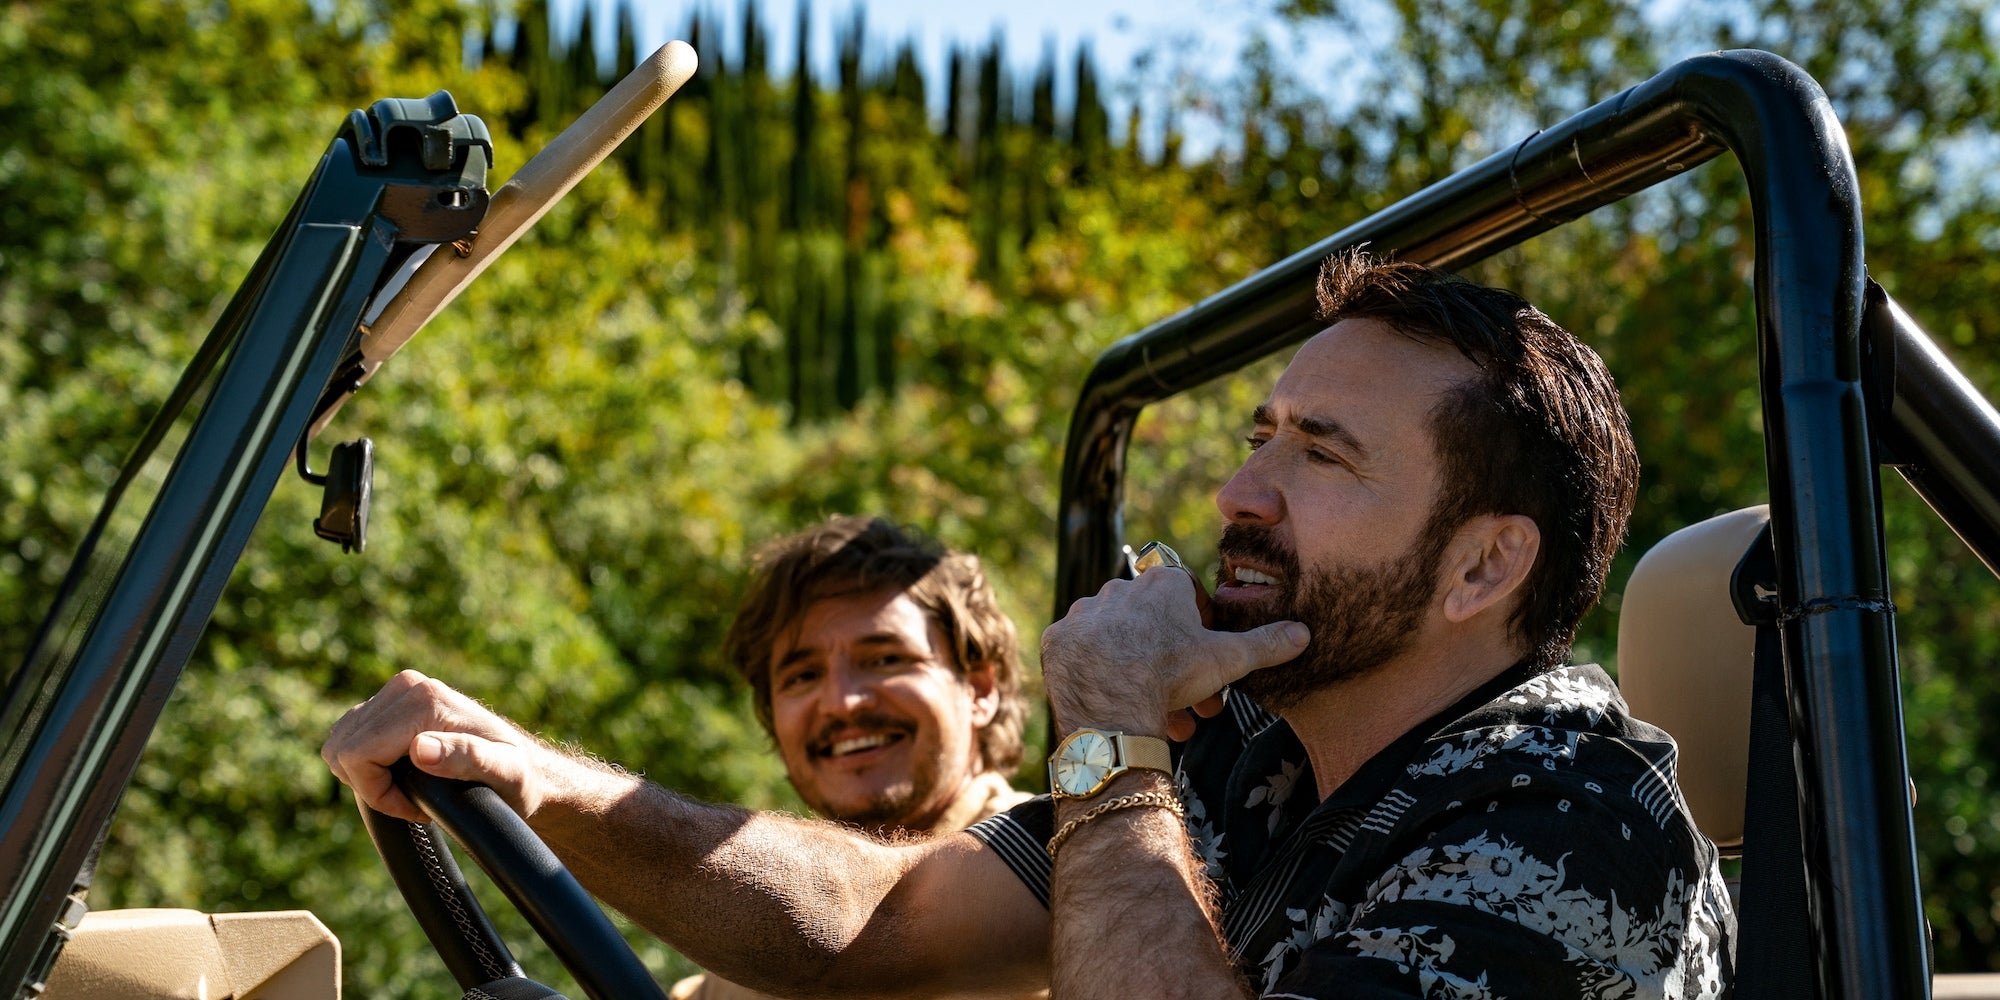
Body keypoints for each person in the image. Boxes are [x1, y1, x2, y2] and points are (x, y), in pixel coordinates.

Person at [323, 250, 1733, 998]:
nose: (1241, 493)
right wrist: (538, 779)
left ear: (1483, 568)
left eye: (1323, 455)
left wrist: (1114, 735)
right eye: (1261, 438)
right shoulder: (1246, 749)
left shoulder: (1568, 821)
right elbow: (881, 927)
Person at [668, 516, 1032, 1000]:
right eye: (802, 676)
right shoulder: (745, 950)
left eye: (885, 659)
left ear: (979, 689)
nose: (841, 702)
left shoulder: (1068, 866)